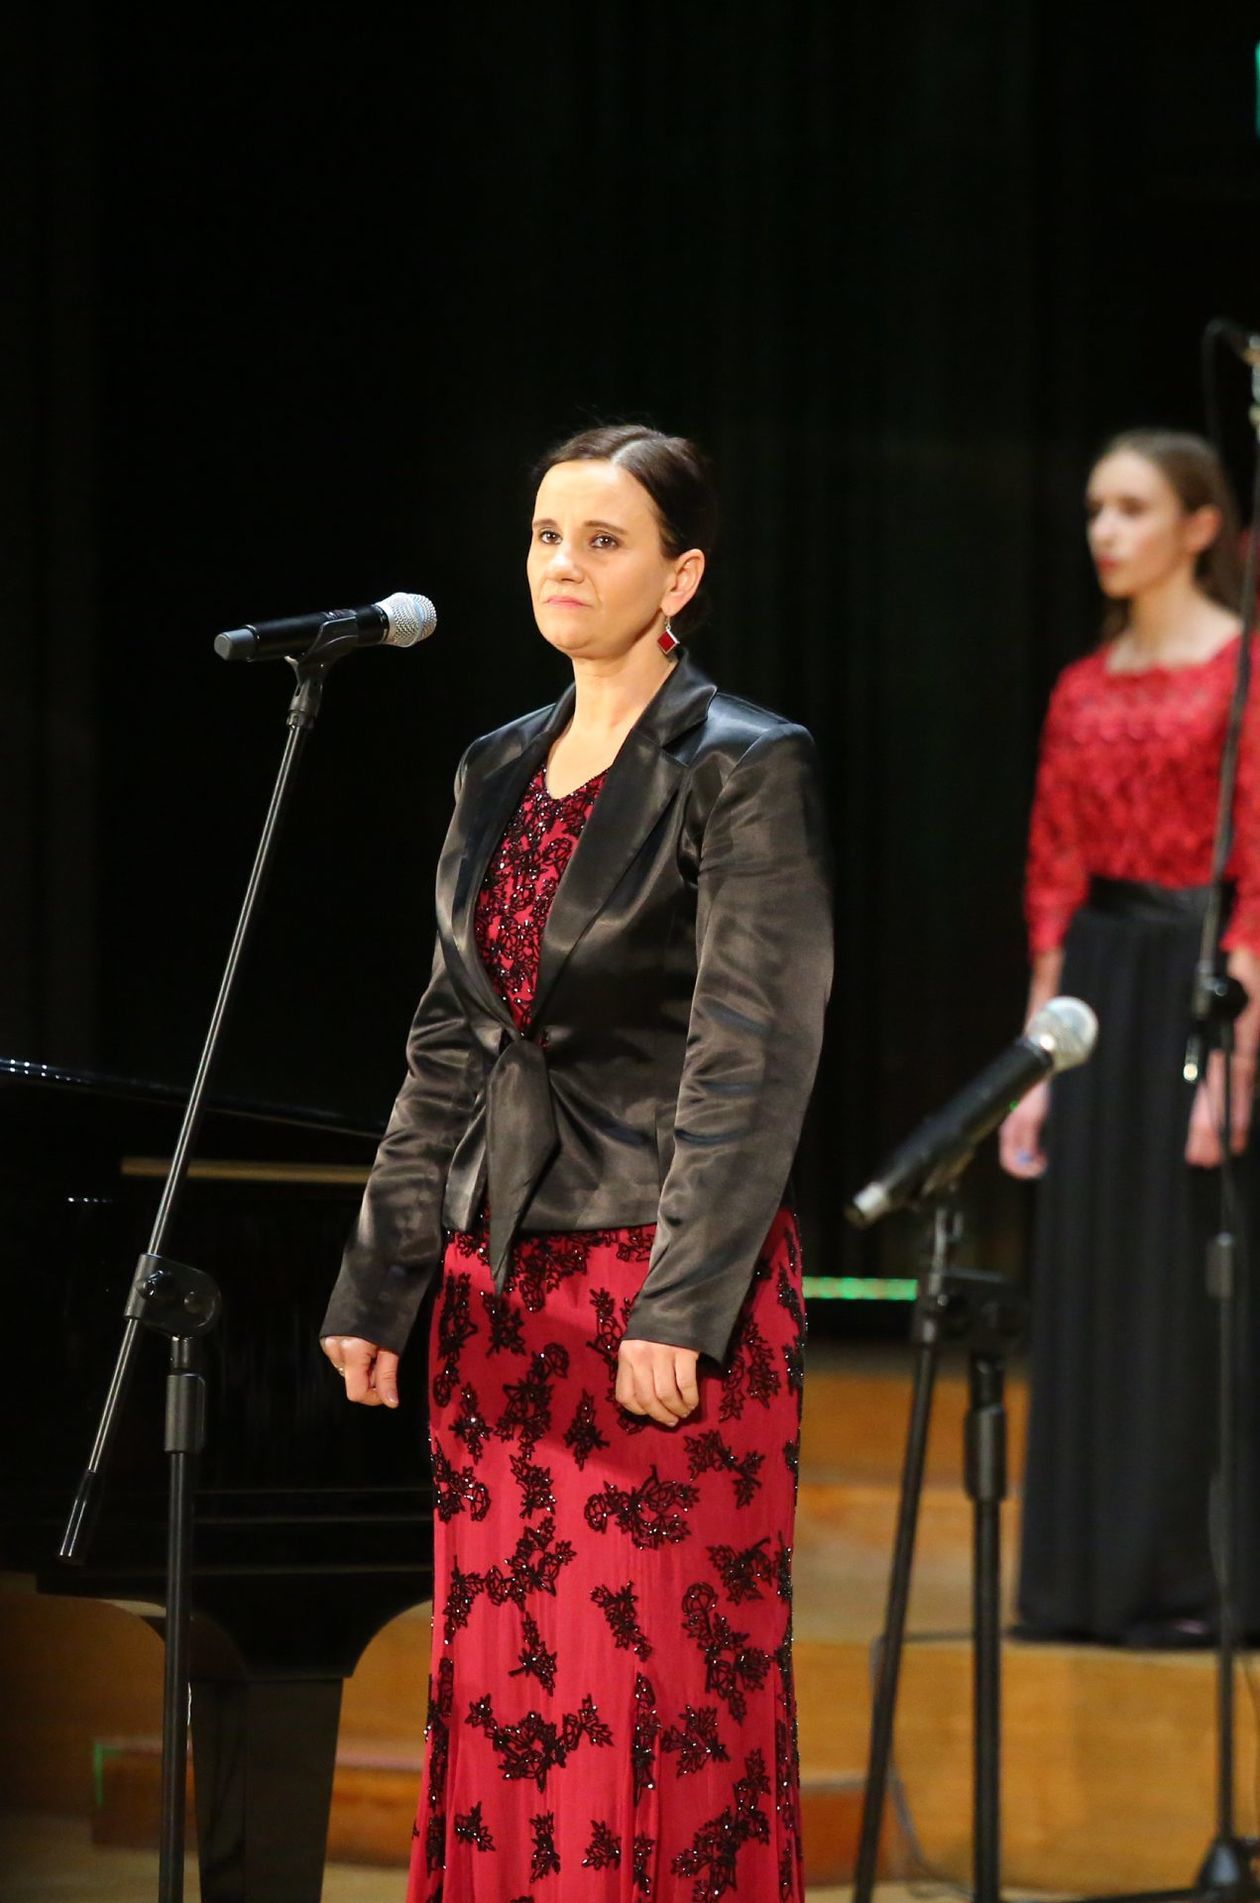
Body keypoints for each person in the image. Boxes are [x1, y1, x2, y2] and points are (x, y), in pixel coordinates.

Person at [320, 423, 832, 1899]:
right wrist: (382, 1272)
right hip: (501, 1290)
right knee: (511, 1696)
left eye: (605, 539)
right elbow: (447, 1044)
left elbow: (754, 1056)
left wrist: (683, 1304)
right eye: (548, 532)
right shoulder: (493, 765)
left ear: (682, 574)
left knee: (652, 1693)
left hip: (661, 1290)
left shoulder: (746, 762)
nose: (564, 563)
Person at [1000, 428, 1258, 1645]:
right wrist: (1037, 1068)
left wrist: (1238, 1061)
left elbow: (1257, 872)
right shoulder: (1079, 685)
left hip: (1202, 984)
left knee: (1179, 1288)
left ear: (1199, 526)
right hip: (1100, 986)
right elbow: (1054, 873)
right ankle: (1080, 1581)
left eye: (1134, 507)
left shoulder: (1244, 673)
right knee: (1095, 1279)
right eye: (1097, 507)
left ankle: (1181, 1579)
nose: (1106, 529)